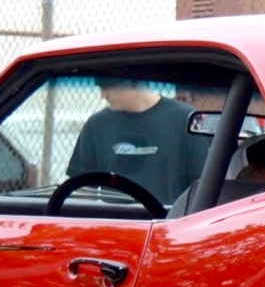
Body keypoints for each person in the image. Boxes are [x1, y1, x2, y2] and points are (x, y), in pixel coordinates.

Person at [65, 76, 195, 205]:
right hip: (115, 222)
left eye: (108, 87)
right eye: (100, 88)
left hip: (169, 221)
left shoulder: (184, 120)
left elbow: (200, 184)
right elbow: (84, 189)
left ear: (132, 81)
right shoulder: (96, 125)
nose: (103, 95)